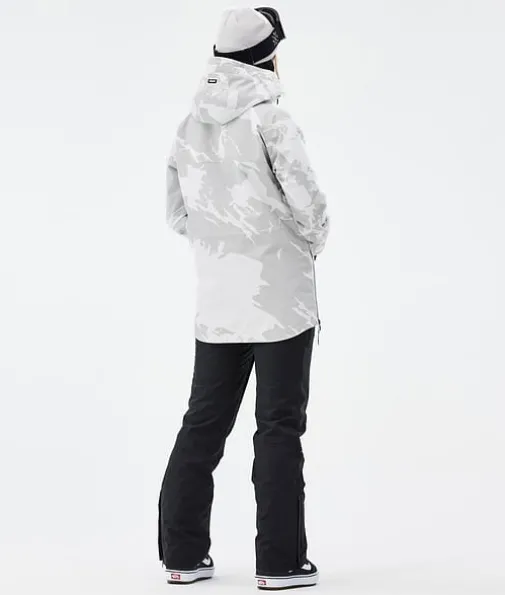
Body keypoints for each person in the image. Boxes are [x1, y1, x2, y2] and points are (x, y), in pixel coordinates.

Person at [158, 6, 330, 591]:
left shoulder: (189, 125)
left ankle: (183, 557)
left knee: (203, 423)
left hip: (218, 302)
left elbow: (176, 213)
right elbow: (310, 206)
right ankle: (280, 564)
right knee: (278, 427)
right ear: (268, 56)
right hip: (281, 301)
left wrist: (221, 245)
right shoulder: (272, 120)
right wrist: (301, 245)